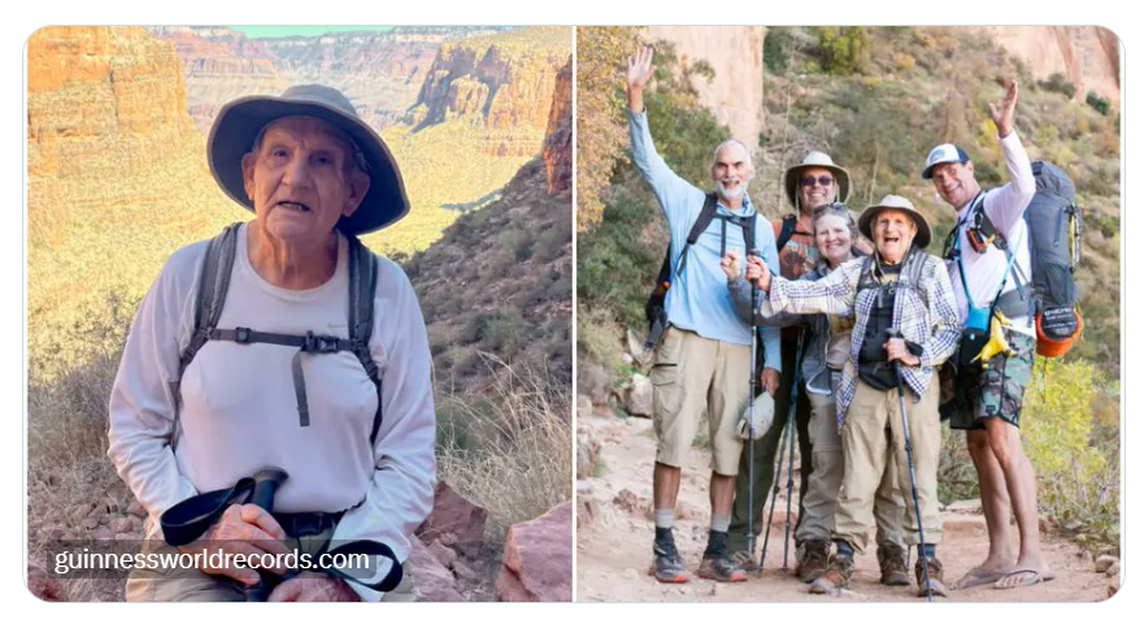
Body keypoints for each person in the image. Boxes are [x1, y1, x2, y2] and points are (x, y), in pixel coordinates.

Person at [107, 85, 435, 602]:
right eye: (280, 153)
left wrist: (339, 580)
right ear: (249, 173)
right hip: (203, 546)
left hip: (343, 545)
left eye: (322, 160)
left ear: (353, 192)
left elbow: (410, 460)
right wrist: (202, 533)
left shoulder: (385, 292)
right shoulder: (192, 275)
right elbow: (134, 427)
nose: (295, 176)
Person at [748, 195, 961, 597]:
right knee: (858, 473)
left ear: (912, 230)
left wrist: (918, 355)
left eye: (899, 222)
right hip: (864, 383)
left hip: (914, 387)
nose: (890, 229)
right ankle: (843, 559)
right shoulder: (857, 272)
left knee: (915, 473)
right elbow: (817, 295)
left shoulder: (931, 270)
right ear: (874, 230)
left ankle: (927, 560)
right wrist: (770, 284)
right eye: (883, 222)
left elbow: (950, 327)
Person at [625, 46, 782, 583]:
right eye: (721, 165)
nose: (729, 172)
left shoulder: (762, 230)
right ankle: (664, 545)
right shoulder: (690, 203)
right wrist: (636, 95)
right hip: (686, 339)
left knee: (727, 453)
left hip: (739, 347)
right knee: (672, 444)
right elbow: (647, 161)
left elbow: (771, 301)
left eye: (738, 165)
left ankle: (716, 551)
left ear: (751, 172)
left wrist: (773, 362)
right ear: (712, 171)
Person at [723, 203, 908, 585]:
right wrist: (741, 283)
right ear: (816, 239)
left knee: (886, 469)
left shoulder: (879, 271)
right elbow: (766, 312)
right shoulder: (810, 281)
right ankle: (814, 545)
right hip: (825, 382)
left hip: (873, 383)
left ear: (853, 234)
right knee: (825, 468)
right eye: (823, 233)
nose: (831, 238)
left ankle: (893, 551)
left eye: (838, 231)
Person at [923, 80, 1054, 591]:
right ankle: (1000, 553)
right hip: (974, 346)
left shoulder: (998, 204)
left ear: (969, 170)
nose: (946, 180)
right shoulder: (959, 226)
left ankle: (1034, 555)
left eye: (952, 170)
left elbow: (1026, 186)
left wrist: (1005, 131)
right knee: (980, 442)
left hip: (1007, 336)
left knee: (1002, 437)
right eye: (938, 176)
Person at [725, 150, 868, 578]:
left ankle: (812, 545)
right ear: (798, 189)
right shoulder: (776, 231)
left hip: (826, 358)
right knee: (761, 445)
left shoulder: (854, 245)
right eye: (808, 181)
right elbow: (759, 294)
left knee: (818, 451)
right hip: (779, 348)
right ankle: (740, 541)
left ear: (836, 186)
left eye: (825, 180)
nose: (817, 187)